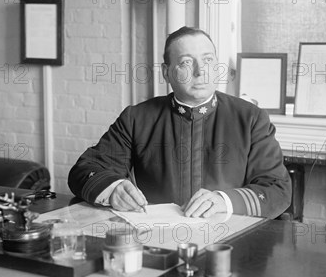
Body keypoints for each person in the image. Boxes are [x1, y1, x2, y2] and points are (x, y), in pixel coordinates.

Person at [68, 26, 292, 219]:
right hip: (158, 244)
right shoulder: (137, 118)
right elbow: (85, 170)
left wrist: (224, 200)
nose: (200, 71)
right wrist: (114, 188)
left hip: (229, 247)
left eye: (207, 60)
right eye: (186, 62)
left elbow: (277, 189)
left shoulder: (251, 118)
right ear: (167, 73)